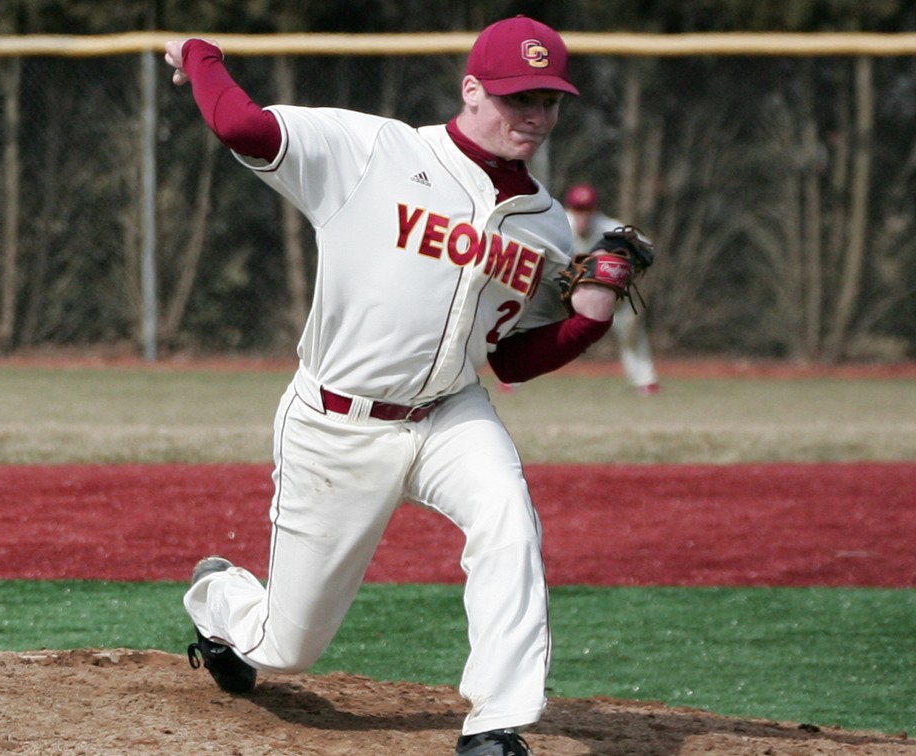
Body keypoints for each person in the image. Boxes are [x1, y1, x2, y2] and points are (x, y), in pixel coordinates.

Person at [165, 17, 640, 756]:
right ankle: (220, 596)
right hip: (336, 420)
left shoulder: (548, 226)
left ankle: (495, 724)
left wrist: (591, 319)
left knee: (509, 522)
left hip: (450, 411)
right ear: (472, 89)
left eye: (548, 100)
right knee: (286, 646)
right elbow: (240, 126)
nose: (535, 116)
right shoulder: (377, 151)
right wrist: (200, 56)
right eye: (518, 98)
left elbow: (512, 361)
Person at [564, 184, 660, 395]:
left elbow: (645, 246)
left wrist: (625, 263)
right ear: (569, 209)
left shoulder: (608, 227)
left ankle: (646, 381)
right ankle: (511, 380)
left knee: (630, 328)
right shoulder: (559, 226)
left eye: (587, 209)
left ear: (595, 210)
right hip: (567, 294)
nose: (583, 216)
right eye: (578, 209)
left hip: (610, 296)